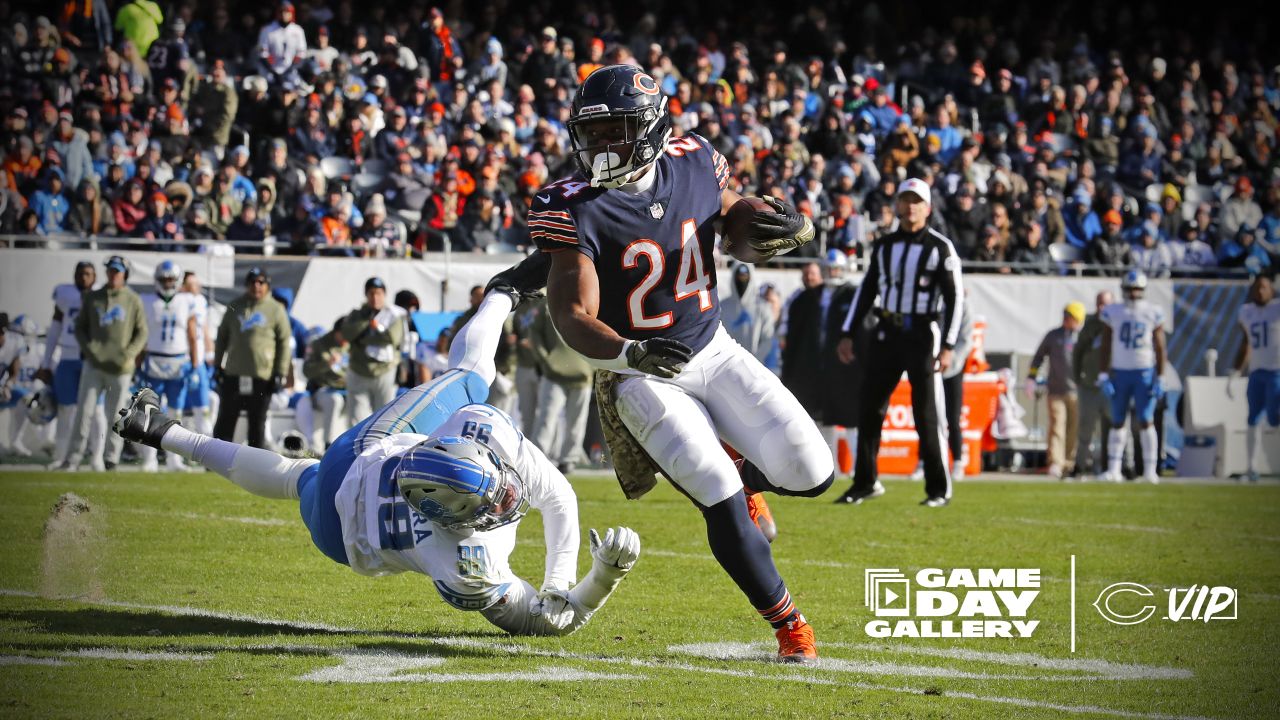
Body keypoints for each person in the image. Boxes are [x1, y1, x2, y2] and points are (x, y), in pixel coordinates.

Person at [112, 275, 639, 637]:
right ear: (458, 521)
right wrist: (601, 581)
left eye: (500, 487)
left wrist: (556, 584)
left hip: (361, 477)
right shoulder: (463, 562)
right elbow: (545, 622)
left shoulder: (477, 431)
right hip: (345, 532)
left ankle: (163, 431)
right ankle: (503, 291)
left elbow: (556, 501)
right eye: (496, 503)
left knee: (464, 383)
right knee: (470, 376)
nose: (509, 500)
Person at [537, 65, 828, 663]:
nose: (599, 147)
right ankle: (790, 626)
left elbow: (733, 227)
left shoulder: (695, 158)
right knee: (714, 487)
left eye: (613, 131)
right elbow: (572, 314)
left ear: (648, 128)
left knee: (811, 471)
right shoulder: (571, 204)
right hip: (639, 371)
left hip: (712, 347)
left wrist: (777, 224)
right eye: (590, 134)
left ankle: (749, 478)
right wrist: (629, 350)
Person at [836, 177, 964, 507]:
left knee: (927, 414)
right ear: (897, 205)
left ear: (928, 207)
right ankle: (865, 482)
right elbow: (867, 290)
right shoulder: (884, 246)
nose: (910, 206)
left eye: (916, 201)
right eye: (905, 199)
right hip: (886, 332)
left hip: (922, 334)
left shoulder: (939, 247)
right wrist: (848, 333)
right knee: (869, 408)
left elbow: (955, 298)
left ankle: (938, 489)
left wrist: (948, 345)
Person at [781, 251, 862, 483]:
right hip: (817, 368)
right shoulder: (807, 298)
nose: (832, 274)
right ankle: (831, 465)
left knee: (851, 420)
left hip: (846, 368)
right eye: (829, 269)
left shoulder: (852, 294)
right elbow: (794, 336)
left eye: (836, 269)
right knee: (821, 419)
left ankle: (859, 468)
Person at [66, 255, 148, 471]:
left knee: (116, 415)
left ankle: (111, 459)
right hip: (94, 365)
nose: (113, 275)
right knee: (84, 412)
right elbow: (79, 328)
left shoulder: (133, 299)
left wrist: (129, 354)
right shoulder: (93, 297)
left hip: (121, 368)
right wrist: (89, 350)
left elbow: (142, 332)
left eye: (117, 271)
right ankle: (73, 458)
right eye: (111, 270)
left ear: (124, 274)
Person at [1097, 270, 1166, 483]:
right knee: (1118, 420)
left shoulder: (1153, 311)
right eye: (1130, 289)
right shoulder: (1113, 311)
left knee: (1146, 419)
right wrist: (1103, 374)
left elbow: (1160, 346)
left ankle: (1149, 470)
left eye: (1137, 289)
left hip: (1144, 370)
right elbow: (1105, 344)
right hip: (1120, 371)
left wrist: (1161, 376)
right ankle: (1114, 469)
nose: (1134, 293)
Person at [37, 261, 107, 469]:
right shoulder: (64, 294)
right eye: (80, 273)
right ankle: (62, 456)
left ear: (94, 277)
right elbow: (55, 329)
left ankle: (97, 457)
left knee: (96, 410)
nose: (84, 278)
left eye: (88, 274)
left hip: (93, 359)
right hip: (68, 356)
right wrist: (47, 362)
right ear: (74, 275)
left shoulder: (103, 295)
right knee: (66, 409)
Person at [213, 267, 291, 448]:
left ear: (267, 285)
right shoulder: (235, 306)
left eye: (261, 282)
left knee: (257, 422)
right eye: (252, 282)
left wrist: (280, 372)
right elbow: (222, 337)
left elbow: (284, 343)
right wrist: (218, 365)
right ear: (247, 285)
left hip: (262, 375)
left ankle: (255, 463)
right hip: (234, 372)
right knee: (226, 418)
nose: (256, 286)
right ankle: (216, 458)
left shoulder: (276, 309)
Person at [135, 260, 198, 472]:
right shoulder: (146, 300)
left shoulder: (187, 300)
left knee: (175, 412)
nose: (168, 283)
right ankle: (150, 459)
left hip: (179, 360)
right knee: (150, 411)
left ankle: (174, 460)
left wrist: (196, 365)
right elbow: (141, 334)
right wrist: (137, 363)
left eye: (171, 279)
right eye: (164, 279)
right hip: (153, 359)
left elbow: (192, 334)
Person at [529, 299, 592, 474]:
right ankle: (538, 457)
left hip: (582, 372)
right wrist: (546, 360)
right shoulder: (546, 303)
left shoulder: (591, 298)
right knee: (547, 416)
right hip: (553, 373)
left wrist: (593, 365)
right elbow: (534, 333)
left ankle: (568, 459)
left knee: (577, 420)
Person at [1228, 275, 1280, 482]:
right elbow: (1246, 343)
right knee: (1252, 419)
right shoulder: (1246, 312)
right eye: (1257, 288)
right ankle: (1252, 468)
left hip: (1277, 371)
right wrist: (1236, 371)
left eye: (1264, 288)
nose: (1260, 291)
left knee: (1275, 418)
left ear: (1272, 290)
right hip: (1257, 372)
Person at [1026, 302, 1085, 478]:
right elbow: (1038, 357)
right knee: (1057, 426)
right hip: (1056, 390)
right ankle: (1055, 462)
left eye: (1071, 317)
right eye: (1065, 316)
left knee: (1074, 429)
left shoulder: (1083, 338)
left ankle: (1070, 461)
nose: (1067, 320)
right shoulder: (1053, 336)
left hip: (1077, 391)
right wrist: (1031, 377)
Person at [340, 277, 405, 427]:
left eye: (379, 293)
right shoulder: (357, 315)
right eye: (371, 294)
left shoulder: (393, 314)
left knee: (384, 417)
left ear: (384, 294)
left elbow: (391, 338)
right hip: (359, 369)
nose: (375, 298)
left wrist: (363, 340)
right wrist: (366, 323)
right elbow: (347, 334)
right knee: (357, 417)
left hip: (385, 370)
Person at [1072, 292, 1117, 477]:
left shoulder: (1118, 322)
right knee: (1085, 429)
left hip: (1113, 386)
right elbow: (1078, 352)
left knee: (1118, 428)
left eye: (1105, 304)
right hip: (1090, 386)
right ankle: (1079, 467)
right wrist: (1078, 379)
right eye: (1099, 303)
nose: (1101, 308)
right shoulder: (1090, 324)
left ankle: (1122, 467)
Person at [302, 321, 348, 450]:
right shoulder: (318, 345)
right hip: (323, 390)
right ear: (337, 332)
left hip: (347, 390)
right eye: (345, 334)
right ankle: (329, 445)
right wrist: (327, 363)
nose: (347, 338)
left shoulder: (350, 346)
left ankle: (354, 446)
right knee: (335, 400)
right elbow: (307, 371)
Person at [178, 271, 215, 436]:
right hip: (180, 359)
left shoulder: (200, 301)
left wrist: (210, 352)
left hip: (198, 361)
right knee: (175, 406)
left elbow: (204, 328)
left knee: (204, 405)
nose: (197, 287)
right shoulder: (178, 301)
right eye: (193, 284)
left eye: (197, 283)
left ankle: (208, 447)